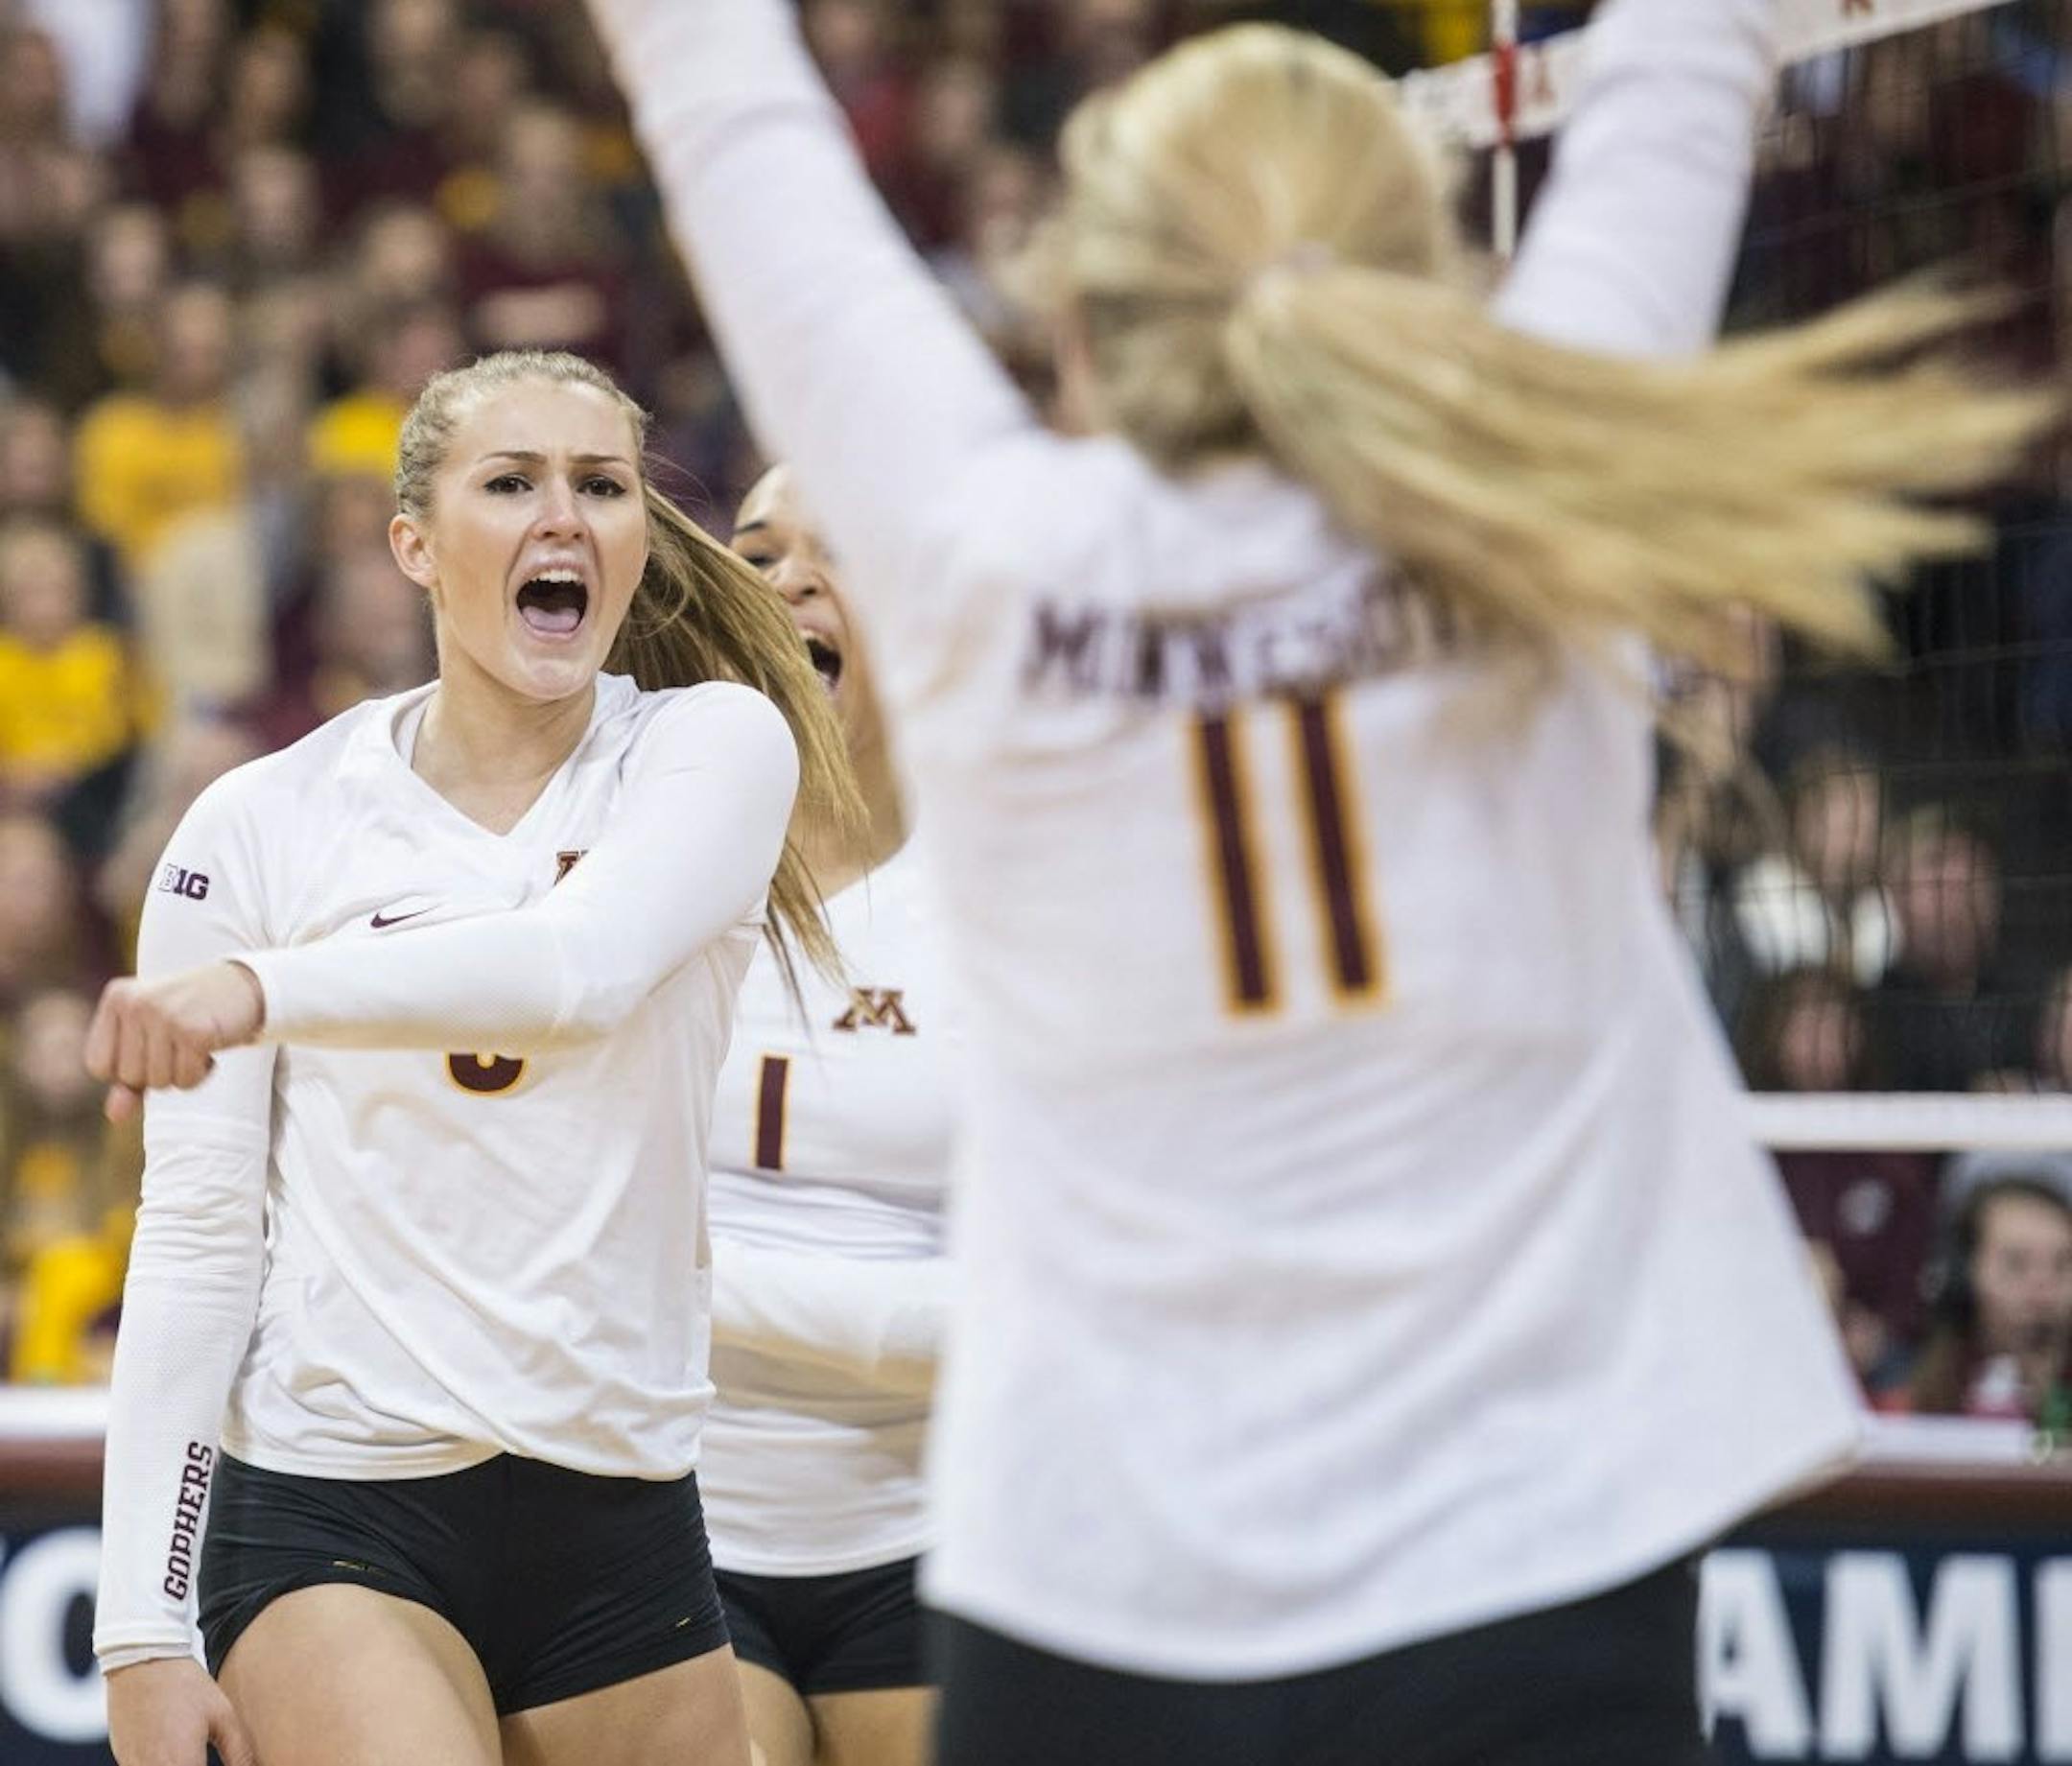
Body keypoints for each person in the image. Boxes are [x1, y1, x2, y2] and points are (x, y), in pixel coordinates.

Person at [589, 0, 2054, 1759]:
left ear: (1078, 324)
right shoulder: (1528, 490)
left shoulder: (982, 555)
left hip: (1100, 1583)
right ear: (1422, 279)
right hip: (1540, 1550)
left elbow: (720, 93)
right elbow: (1688, 54)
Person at [83, 346, 858, 1766]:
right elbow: (198, 1238)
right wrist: (140, 1625)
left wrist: (255, 991)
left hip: (624, 1502)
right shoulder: (260, 824)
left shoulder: (713, 748)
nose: (564, 514)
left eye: (601, 485)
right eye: (512, 482)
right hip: (336, 1502)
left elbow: (579, 970)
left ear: (635, 540)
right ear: (416, 548)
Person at [703, 464, 954, 1766]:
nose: (788, 577)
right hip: (667, 1543)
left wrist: (679, 1283)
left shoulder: (1012, 903)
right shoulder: (643, 867)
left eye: (837, 549)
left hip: (944, 1537)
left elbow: (1054, 1313)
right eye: (757, 551)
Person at [1907, 1176, 2072, 1433]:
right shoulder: (1912, 1406)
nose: (2043, 1289)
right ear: (1962, 1273)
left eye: (2063, 1265)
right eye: (2016, 1264)